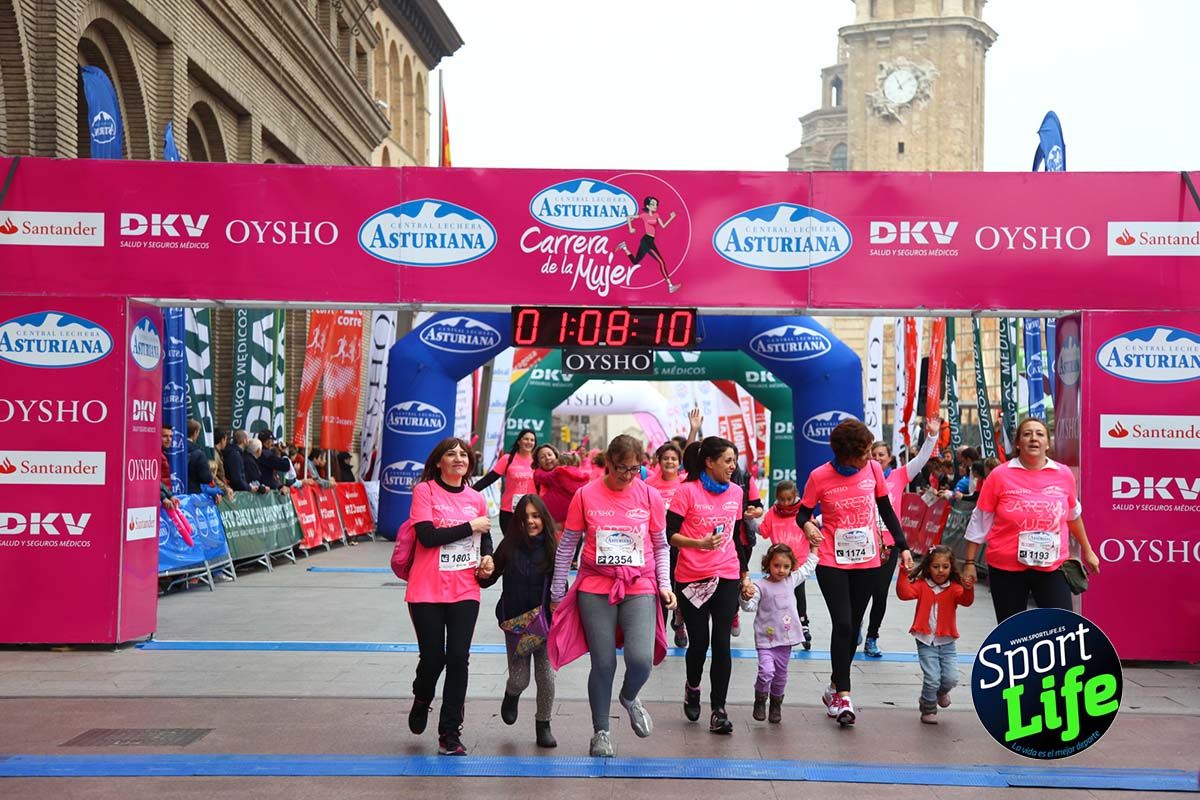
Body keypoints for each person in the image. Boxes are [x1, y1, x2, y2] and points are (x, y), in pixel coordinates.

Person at [548, 434, 675, 758]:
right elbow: (567, 545)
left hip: (640, 584)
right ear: (608, 463)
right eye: (622, 468)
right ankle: (601, 732)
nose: (629, 475)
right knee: (602, 662)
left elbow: (661, 546)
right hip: (595, 586)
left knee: (640, 659)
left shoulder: (649, 496)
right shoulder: (586, 495)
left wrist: (664, 584)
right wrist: (557, 589)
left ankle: (630, 696)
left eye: (635, 469)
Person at [795, 419, 912, 727]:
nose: (869, 458)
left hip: (868, 559)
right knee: (843, 624)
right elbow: (803, 512)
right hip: (832, 559)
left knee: (854, 628)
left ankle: (834, 684)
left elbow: (886, 508)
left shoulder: (873, 470)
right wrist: (808, 525)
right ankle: (844, 695)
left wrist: (903, 546)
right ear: (846, 454)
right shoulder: (820, 476)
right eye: (863, 453)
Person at [404, 437, 495, 756]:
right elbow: (427, 537)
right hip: (426, 588)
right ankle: (422, 697)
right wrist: (469, 525)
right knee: (433, 658)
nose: (458, 457)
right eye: (451, 454)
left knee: (458, 658)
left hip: (465, 589)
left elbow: (485, 539)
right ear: (439, 462)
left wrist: (488, 559)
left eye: (463, 454)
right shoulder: (424, 491)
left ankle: (449, 733)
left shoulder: (476, 498)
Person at [963, 417, 1100, 622]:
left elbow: (1073, 516)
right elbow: (980, 520)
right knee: (1012, 632)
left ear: (1047, 442)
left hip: (1052, 565)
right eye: (1027, 434)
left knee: (1060, 627)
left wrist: (1088, 551)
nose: (1033, 438)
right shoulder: (1000, 475)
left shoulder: (1063, 474)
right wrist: (969, 562)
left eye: (1039, 434)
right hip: (1006, 567)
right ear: (1018, 443)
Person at [667, 435, 748, 735]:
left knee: (722, 643)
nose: (732, 466)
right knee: (699, 642)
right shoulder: (686, 492)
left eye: (734, 460)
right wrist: (698, 543)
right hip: (692, 577)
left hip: (725, 573)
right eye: (727, 460)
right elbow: (669, 535)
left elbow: (736, 536)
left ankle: (719, 709)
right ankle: (693, 686)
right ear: (709, 462)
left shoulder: (737, 493)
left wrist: (745, 574)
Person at [478, 495, 558, 748]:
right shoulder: (509, 546)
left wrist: (560, 610)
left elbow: (559, 586)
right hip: (516, 624)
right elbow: (488, 579)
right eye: (525, 518)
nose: (531, 522)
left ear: (544, 518)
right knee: (519, 679)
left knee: (546, 677)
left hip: (544, 623)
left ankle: (543, 724)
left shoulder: (552, 547)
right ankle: (511, 695)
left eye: (536, 516)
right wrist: (484, 571)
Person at [861, 418, 939, 658]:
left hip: (889, 544)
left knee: (880, 593)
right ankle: (854, 628)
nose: (877, 458)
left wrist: (932, 436)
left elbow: (922, 459)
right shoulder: (861, 477)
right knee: (859, 592)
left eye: (881, 454)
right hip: (864, 543)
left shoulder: (899, 476)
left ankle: (872, 636)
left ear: (890, 458)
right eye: (873, 454)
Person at [740, 542, 819, 723]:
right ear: (768, 564)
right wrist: (745, 597)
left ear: (791, 567)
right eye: (776, 565)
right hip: (766, 640)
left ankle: (776, 704)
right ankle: (760, 699)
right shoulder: (760, 586)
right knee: (766, 671)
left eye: (786, 566)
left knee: (781, 675)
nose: (781, 570)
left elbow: (808, 568)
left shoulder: (791, 581)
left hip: (785, 639)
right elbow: (749, 607)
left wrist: (814, 548)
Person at [895, 545, 974, 724]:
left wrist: (968, 588)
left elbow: (966, 601)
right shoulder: (922, 585)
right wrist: (902, 572)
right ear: (928, 567)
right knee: (932, 678)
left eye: (945, 567)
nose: (940, 571)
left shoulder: (954, 588)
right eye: (936, 566)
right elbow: (904, 593)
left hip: (947, 641)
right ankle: (928, 707)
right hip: (925, 640)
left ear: (951, 568)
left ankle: (940, 692)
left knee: (951, 678)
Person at [757, 480, 813, 650]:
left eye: (789, 499)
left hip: (798, 562)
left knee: (798, 592)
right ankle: (778, 622)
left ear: (795, 495)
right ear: (776, 498)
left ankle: (803, 622)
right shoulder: (772, 514)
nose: (785, 503)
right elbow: (764, 532)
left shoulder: (803, 512)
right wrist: (750, 521)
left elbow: (812, 529)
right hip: (778, 563)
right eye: (782, 499)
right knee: (778, 594)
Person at [645, 442, 687, 646]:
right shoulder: (649, 484)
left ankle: (679, 624)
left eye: (674, 458)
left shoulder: (685, 483)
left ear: (679, 463)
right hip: (656, 545)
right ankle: (658, 635)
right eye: (666, 458)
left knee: (680, 588)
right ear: (659, 461)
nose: (670, 461)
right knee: (660, 589)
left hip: (681, 544)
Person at [474, 428, 538, 534]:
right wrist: (470, 491)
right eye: (526, 439)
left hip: (531, 510)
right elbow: (489, 479)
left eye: (532, 440)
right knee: (510, 544)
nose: (529, 442)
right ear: (519, 441)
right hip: (509, 510)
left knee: (528, 544)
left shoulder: (536, 461)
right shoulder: (508, 459)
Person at [614, 196, 680, 293]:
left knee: (635, 262)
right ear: (647, 206)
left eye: (656, 204)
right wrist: (630, 228)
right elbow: (629, 217)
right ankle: (670, 286)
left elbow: (663, 226)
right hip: (646, 241)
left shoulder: (656, 215)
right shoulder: (644, 215)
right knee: (661, 262)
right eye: (653, 204)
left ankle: (624, 247)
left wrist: (671, 218)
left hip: (650, 240)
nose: (655, 206)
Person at [531, 444, 590, 532]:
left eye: (549, 454)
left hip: (562, 525)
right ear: (538, 462)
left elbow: (540, 476)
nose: (547, 458)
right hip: (563, 524)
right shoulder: (579, 475)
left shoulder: (556, 474)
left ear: (556, 457)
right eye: (542, 457)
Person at [186, 419, 216, 494]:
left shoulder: (175, 449)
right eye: (199, 432)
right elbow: (206, 478)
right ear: (195, 432)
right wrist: (211, 475)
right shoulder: (198, 453)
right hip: (193, 492)